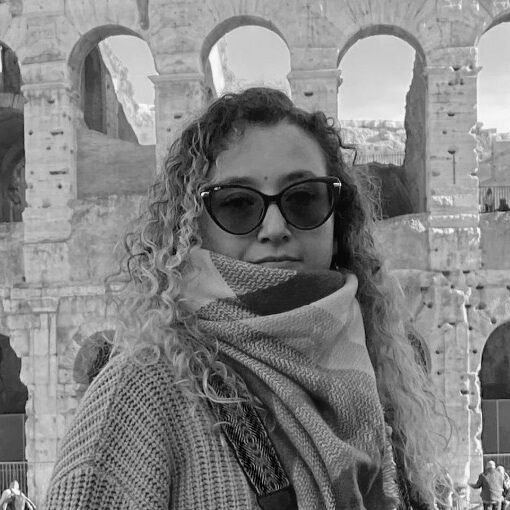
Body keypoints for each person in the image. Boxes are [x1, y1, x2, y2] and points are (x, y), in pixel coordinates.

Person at [43, 87, 449, 509]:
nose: (274, 227)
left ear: (337, 219)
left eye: (303, 198)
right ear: (193, 226)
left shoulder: (375, 383)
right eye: (237, 203)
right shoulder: (141, 395)